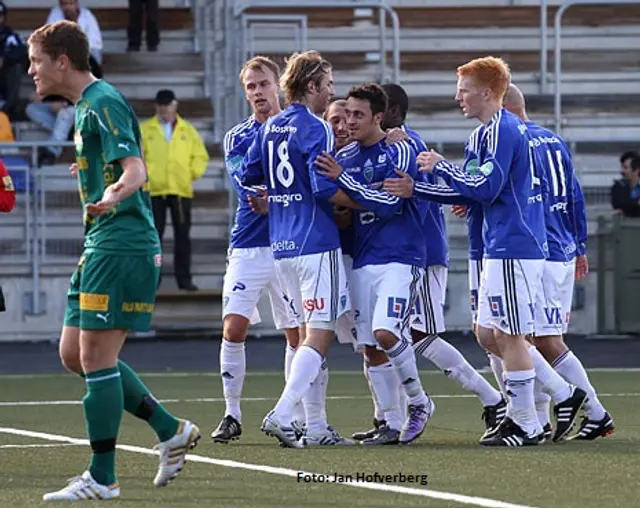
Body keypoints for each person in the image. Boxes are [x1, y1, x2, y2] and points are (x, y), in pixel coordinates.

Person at [27, 20, 200, 501]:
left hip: (120, 241)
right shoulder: (87, 108)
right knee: (72, 354)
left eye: (36, 61)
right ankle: (170, 430)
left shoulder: (101, 102)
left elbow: (137, 171)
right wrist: (93, 171)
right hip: (101, 241)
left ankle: (102, 477)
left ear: (62, 60)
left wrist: (113, 193)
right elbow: (115, 159)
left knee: (97, 359)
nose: (30, 70)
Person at [391, 56, 587, 446]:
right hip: (498, 243)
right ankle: (563, 395)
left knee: (510, 335)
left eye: (463, 90)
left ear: (485, 92)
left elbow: (485, 188)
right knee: (486, 332)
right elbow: (472, 189)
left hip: (515, 244)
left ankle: (527, 422)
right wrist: (419, 189)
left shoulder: (504, 129)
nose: (457, 97)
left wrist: (440, 166)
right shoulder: (483, 135)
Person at [351, 83, 506, 444]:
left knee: (418, 335)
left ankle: (492, 398)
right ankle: (386, 417)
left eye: (374, 112)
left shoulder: (409, 144)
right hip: (394, 253)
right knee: (386, 338)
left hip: (422, 253)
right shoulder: (382, 148)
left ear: (388, 113)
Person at [237, 50, 356, 448]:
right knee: (321, 337)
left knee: (306, 336)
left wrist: (279, 192)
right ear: (311, 86)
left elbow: (249, 172)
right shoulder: (316, 127)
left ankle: (317, 427)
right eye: (328, 86)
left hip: (282, 246)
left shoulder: (270, 127)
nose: (330, 94)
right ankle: (283, 413)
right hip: (315, 242)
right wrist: (363, 198)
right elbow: (324, 188)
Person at [316, 83, 435, 445]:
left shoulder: (400, 146)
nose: (348, 122)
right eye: (346, 113)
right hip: (365, 259)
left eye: (358, 115)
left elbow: (388, 204)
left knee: (387, 332)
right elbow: (344, 209)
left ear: (378, 118)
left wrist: (342, 181)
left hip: (401, 257)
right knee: (370, 345)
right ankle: (391, 422)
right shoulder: (347, 156)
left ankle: (420, 402)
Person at [503, 83, 614, 441]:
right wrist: (579, 244)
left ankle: (594, 411)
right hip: (562, 247)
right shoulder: (553, 139)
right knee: (534, 338)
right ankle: (542, 419)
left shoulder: (515, 141)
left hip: (542, 250)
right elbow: (575, 194)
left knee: (544, 340)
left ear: (503, 106)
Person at [211, 56, 301, 444]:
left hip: (289, 242)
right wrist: (273, 194)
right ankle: (232, 413)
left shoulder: (297, 130)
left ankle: (292, 414)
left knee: (297, 333)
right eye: (251, 86)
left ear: (278, 85)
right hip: (248, 243)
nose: (258, 92)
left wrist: (276, 197)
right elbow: (245, 187)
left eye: (263, 84)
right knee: (233, 326)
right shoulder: (238, 136)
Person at [141, 89, 209, 291]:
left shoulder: (187, 130)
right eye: (160, 106)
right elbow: (137, 155)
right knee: (154, 238)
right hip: (154, 190)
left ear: (174, 106)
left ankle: (184, 279)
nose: (163, 110)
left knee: (182, 236)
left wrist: (191, 173)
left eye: (167, 105)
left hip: (180, 189)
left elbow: (200, 156)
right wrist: (145, 177)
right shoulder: (145, 129)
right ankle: (153, 279)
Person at [47, 0, 103, 65]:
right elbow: (49, 37)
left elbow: (94, 41)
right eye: (64, 4)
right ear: (60, 5)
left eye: (71, 3)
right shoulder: (55, 14)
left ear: (76, 4)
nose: (68, 7)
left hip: (86, 50)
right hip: (62, 50)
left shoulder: (87, 15)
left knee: (94, 53)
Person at [0, 2, 26, 121]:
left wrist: (3, 57)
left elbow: (22, 52)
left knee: (16, 67)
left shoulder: (10, 36)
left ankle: (7, 109)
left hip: (4, 78)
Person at [611, 150, 640, 218]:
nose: (621, 171)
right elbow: (618, 204)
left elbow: (624, 205)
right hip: (624, 227)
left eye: (625, 168)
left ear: (636, 170)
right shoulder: (618, 186)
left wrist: (626, 210)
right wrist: (637, 203)